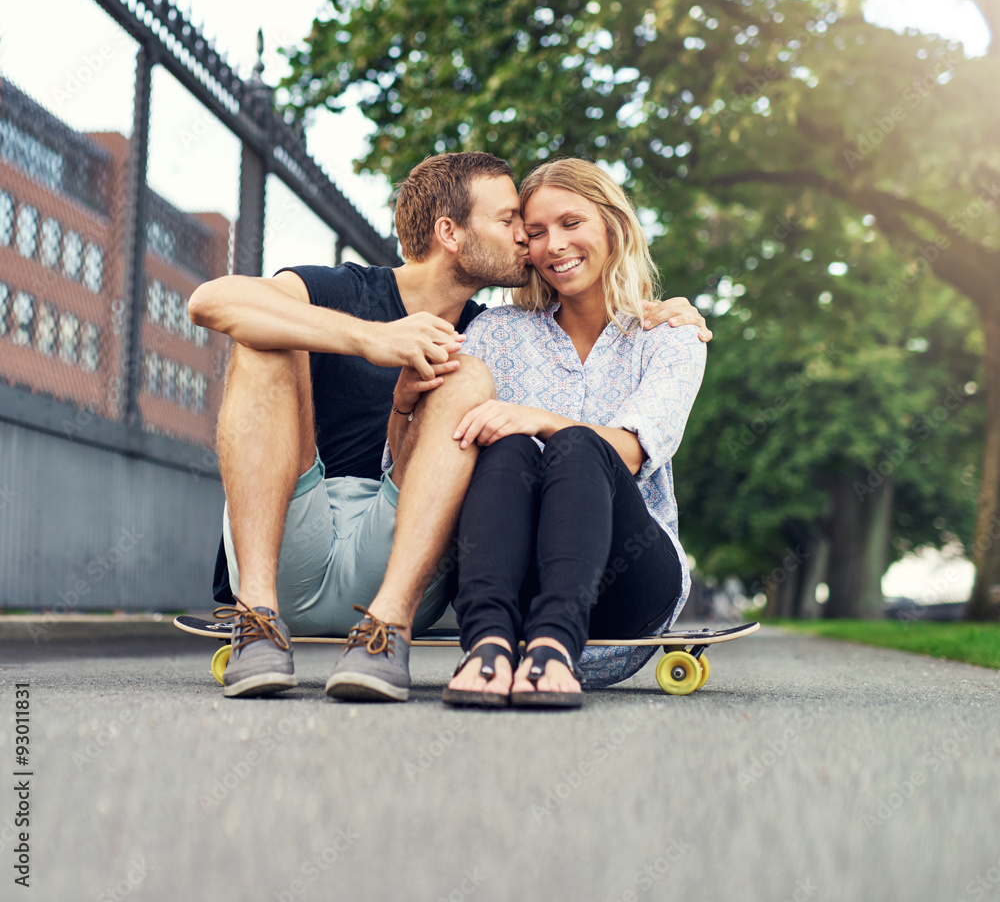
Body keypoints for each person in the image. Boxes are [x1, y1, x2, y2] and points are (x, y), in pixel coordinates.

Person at [188, 152, 710, 702]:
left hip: (423, 552)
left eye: (555, 225)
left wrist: (659, 315)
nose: (535, 243)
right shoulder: (390, 303)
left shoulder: (501, 331)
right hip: (301, 528)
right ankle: (259, 621)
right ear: (450, 233)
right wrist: (375, 345)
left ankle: (389, 629)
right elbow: (212, 300)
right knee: (264, 332)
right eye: (518, 225)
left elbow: (623, 443)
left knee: (497, 398)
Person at [442, 158, 706, 708]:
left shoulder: (669, 336)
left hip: (629, 583)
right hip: (513, 584)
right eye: (535, 233)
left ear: (612, 225)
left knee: (578, 444)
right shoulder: (495, 332)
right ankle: (487, 646)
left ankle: (554, 647)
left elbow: (634, 451)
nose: (553, 244)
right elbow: (441, 452)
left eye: (571, 223)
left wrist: (540, 419)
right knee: (508, 444)